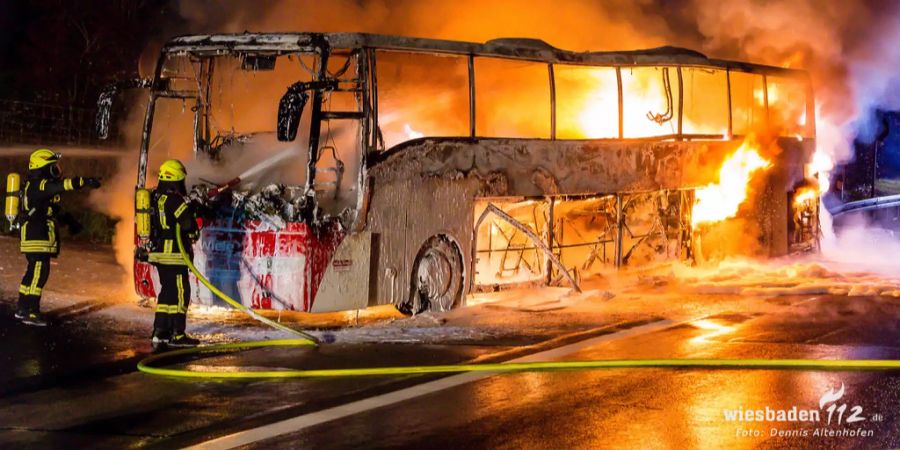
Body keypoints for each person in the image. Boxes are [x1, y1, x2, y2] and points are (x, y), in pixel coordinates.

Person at [17, 149, 101, 326]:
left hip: (35, 235)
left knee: (33, 272)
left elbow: (52, 209)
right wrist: (83, 182)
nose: (56, 170)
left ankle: (23, 307)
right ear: (43, 168)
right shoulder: (38, 184)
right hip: (37, 235)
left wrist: (70, 222)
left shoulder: (35, 185)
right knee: (39, 273)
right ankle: (31, 311)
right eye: (52, 166)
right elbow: (59, 186)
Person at [147, 159, 201, 349]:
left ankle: (160, 331)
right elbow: (186, 224)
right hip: (175, 254)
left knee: (167, 293)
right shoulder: (174, 200)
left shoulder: (155, 197)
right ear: (174, 180)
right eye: (180, 180)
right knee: (180, 293)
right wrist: (192, 221)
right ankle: (177, 334)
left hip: (160, 254)